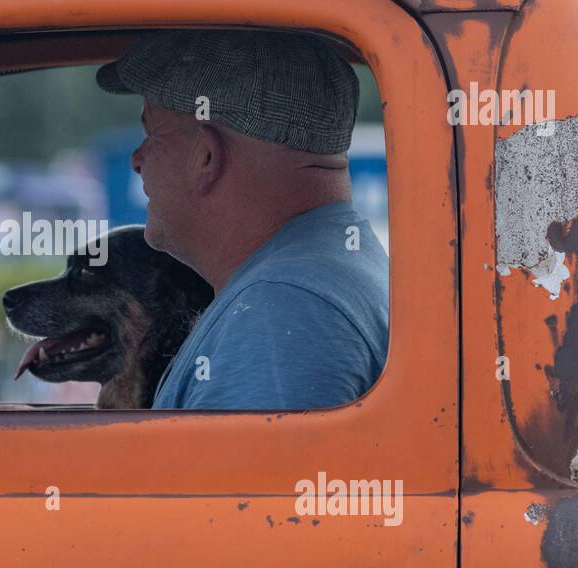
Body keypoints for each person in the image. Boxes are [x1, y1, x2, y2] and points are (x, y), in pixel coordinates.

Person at [95, 29, 389, 410]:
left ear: (206, 157)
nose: (137, 158)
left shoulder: (277, 312)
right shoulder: (319, 276)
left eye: (152, 134)